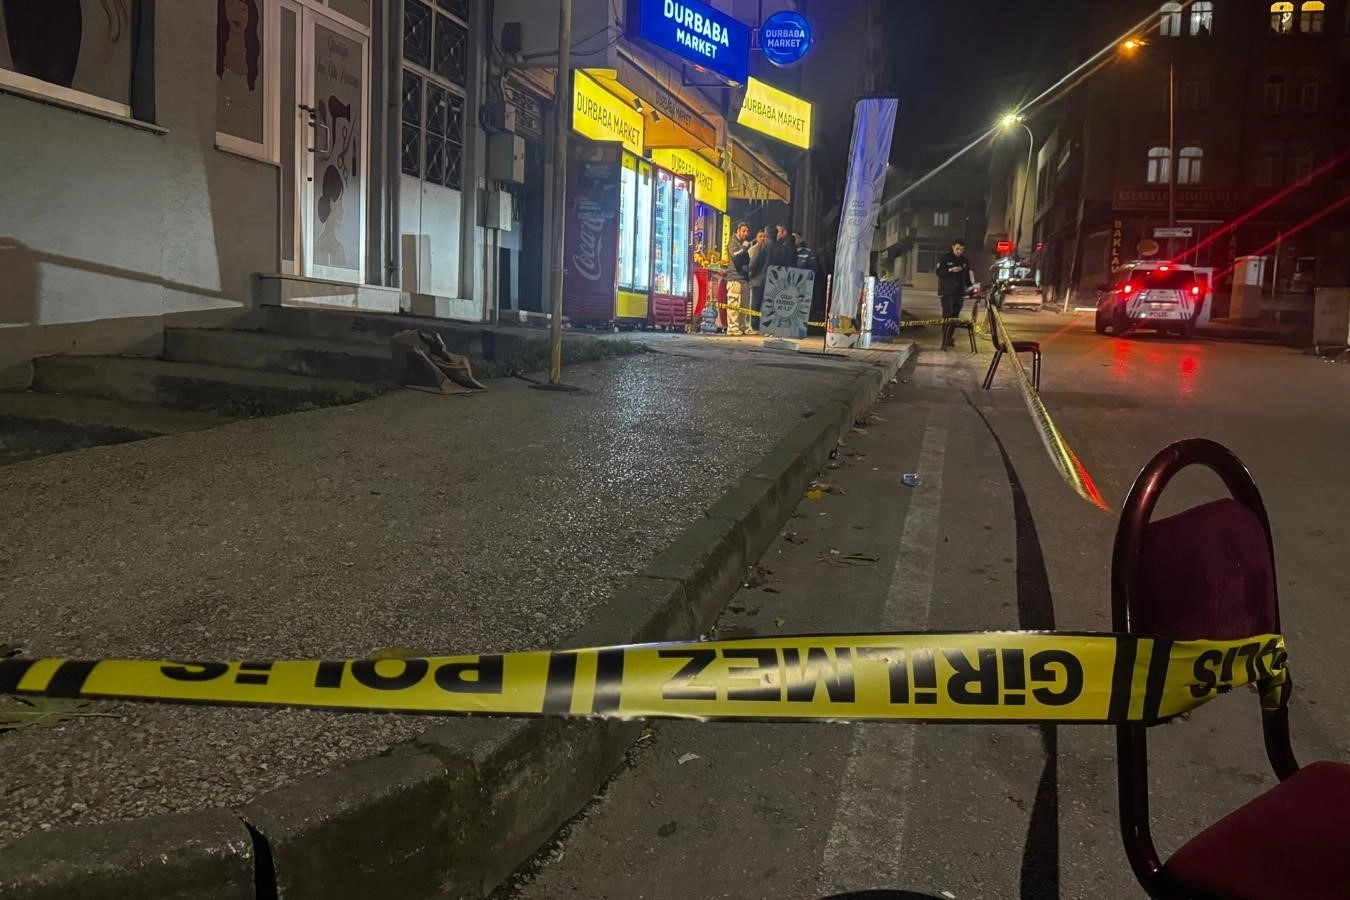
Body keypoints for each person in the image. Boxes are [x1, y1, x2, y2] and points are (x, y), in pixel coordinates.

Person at [935, 239, 977, 349]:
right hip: (947, 292)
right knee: (947, 316)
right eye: (957, 249)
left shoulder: (964, 261)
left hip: (959, 293)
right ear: (953, 247)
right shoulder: (945, 258)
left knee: (955, 316)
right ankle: (945, 339)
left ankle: (949, 337)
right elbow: (939, 272)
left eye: (961, 250)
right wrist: (950, 270)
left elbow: (966, 278)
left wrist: (972, 288)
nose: (959, 251)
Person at [725, 221, 753, 336]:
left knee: (744, 305)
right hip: (734, 278)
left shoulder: (742, 243)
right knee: (734, 304)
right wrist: (744, 248)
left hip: (744, 278)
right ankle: (732, 328)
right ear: (738, 230)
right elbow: (735, 256)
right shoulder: (733, 242)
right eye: (743, 231)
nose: (746, 233)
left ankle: (743, 326)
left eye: (747, 231)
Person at [746, 228, 770, 335]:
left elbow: (752, 265)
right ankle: (754, 326)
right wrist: (750, 275)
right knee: (755, 304)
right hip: (757, 280)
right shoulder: (753, 249)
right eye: (760, 236)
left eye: (764, 236)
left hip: (759, 280)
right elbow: (750, 264)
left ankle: (758, 326)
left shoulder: (767, 248)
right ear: (756, 238)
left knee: (760, 304)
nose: (762, 238)